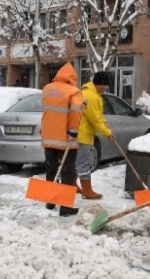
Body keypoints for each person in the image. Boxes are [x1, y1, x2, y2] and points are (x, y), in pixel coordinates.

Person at [41, 62, 83, 216]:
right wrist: (73, 131)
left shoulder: (47, 89)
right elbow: (75, 112)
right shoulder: (74, 92)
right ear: (72, 77)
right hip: (66, 139)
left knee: (51, 169)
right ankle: (65, 207)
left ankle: (50, 202)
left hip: (48, 137)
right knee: (67, 172)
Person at [77, 72, 114, 199]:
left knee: (78, 162)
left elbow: (97, 117)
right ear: (96, 84)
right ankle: (87, 190)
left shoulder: (91, 94)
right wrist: (107, 133)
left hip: (82, 133)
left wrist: (104, 123)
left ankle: (73, 186)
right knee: (84, 163)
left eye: (106, 85)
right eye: (102, 85)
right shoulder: (91, 96)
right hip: (83, 135)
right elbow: (95, 120)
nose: (104, 88)